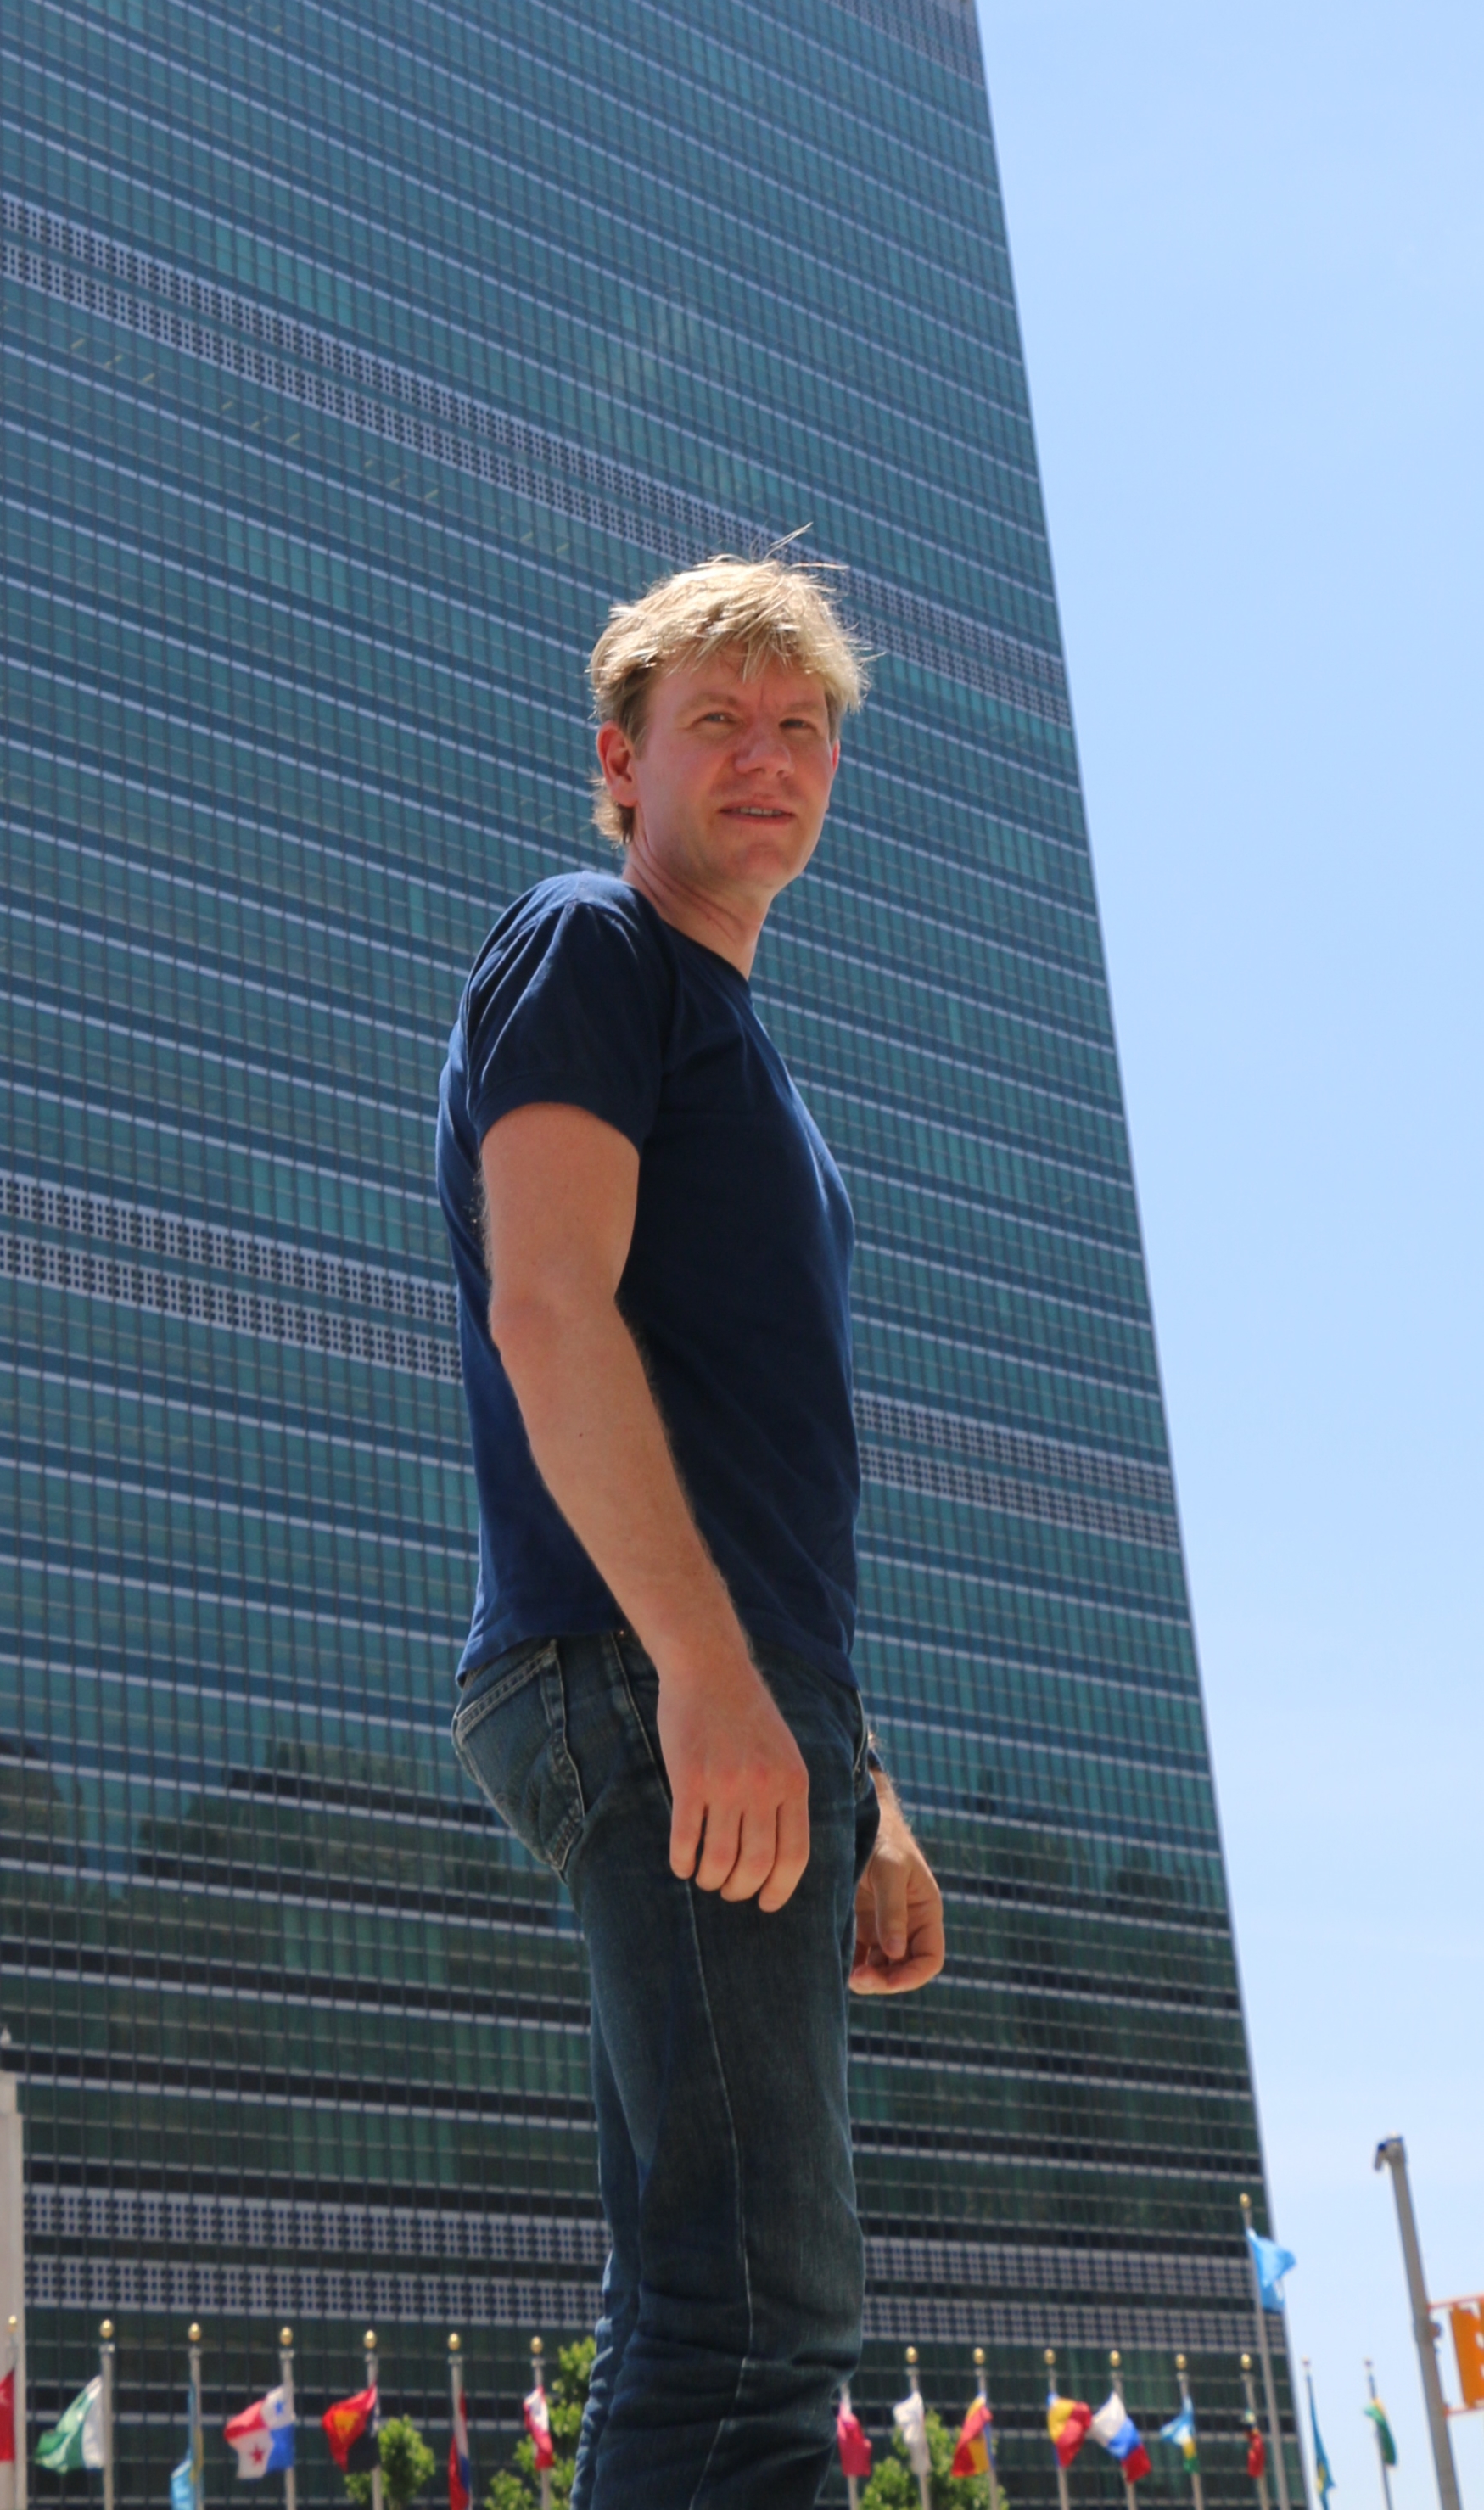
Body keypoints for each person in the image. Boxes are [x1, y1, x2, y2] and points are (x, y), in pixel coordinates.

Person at [437, 556, 945, 2510]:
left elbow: (753, 1455)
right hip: (641, 1669)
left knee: (697, 2305)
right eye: (716, 722)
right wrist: (712, 1678)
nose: (767, 757)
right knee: (754, 2329)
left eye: (801, 726)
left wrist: (861, 1779)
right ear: (616, 760)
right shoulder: (591, 946)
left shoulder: (770, 1090)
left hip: (727, 1682)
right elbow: (546, 1307)